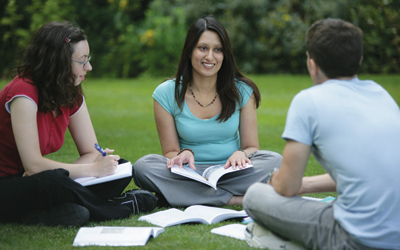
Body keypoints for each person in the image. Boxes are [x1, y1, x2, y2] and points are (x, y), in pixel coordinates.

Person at [243, 18, 400, 250]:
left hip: (354, 238)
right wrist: (304, 185)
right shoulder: (381, 95)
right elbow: (372, 170)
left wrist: (276, 180)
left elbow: (286, 187)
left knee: (255, 195)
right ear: (359, 60)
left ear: (312, 65)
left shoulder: (308, 101)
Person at [0, 21, 156, 227]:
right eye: (83, 61)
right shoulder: (24, 93)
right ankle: (119, 207)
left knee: (118, 167)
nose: (89, 67)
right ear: (59, 61)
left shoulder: (70, 92)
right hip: (7, 184)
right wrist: (91, 170)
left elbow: (91, 150)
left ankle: (44, 213)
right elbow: (34, 165)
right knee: (52, 182)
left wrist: (97, 166)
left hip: (34, 180)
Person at [133, 17, 282, 208]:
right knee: (143, 167)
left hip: (232, 172)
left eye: (217, 49)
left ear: (224, 55)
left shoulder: (243, 91)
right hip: (189, 173)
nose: (210, 57)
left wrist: (240, 153)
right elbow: (170, 152)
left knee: (275, 161)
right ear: (189, 51)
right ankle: (235, 199)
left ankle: (184, 196)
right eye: (203, 48)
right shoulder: (166, 93)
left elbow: (252, 147)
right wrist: (184, 153)